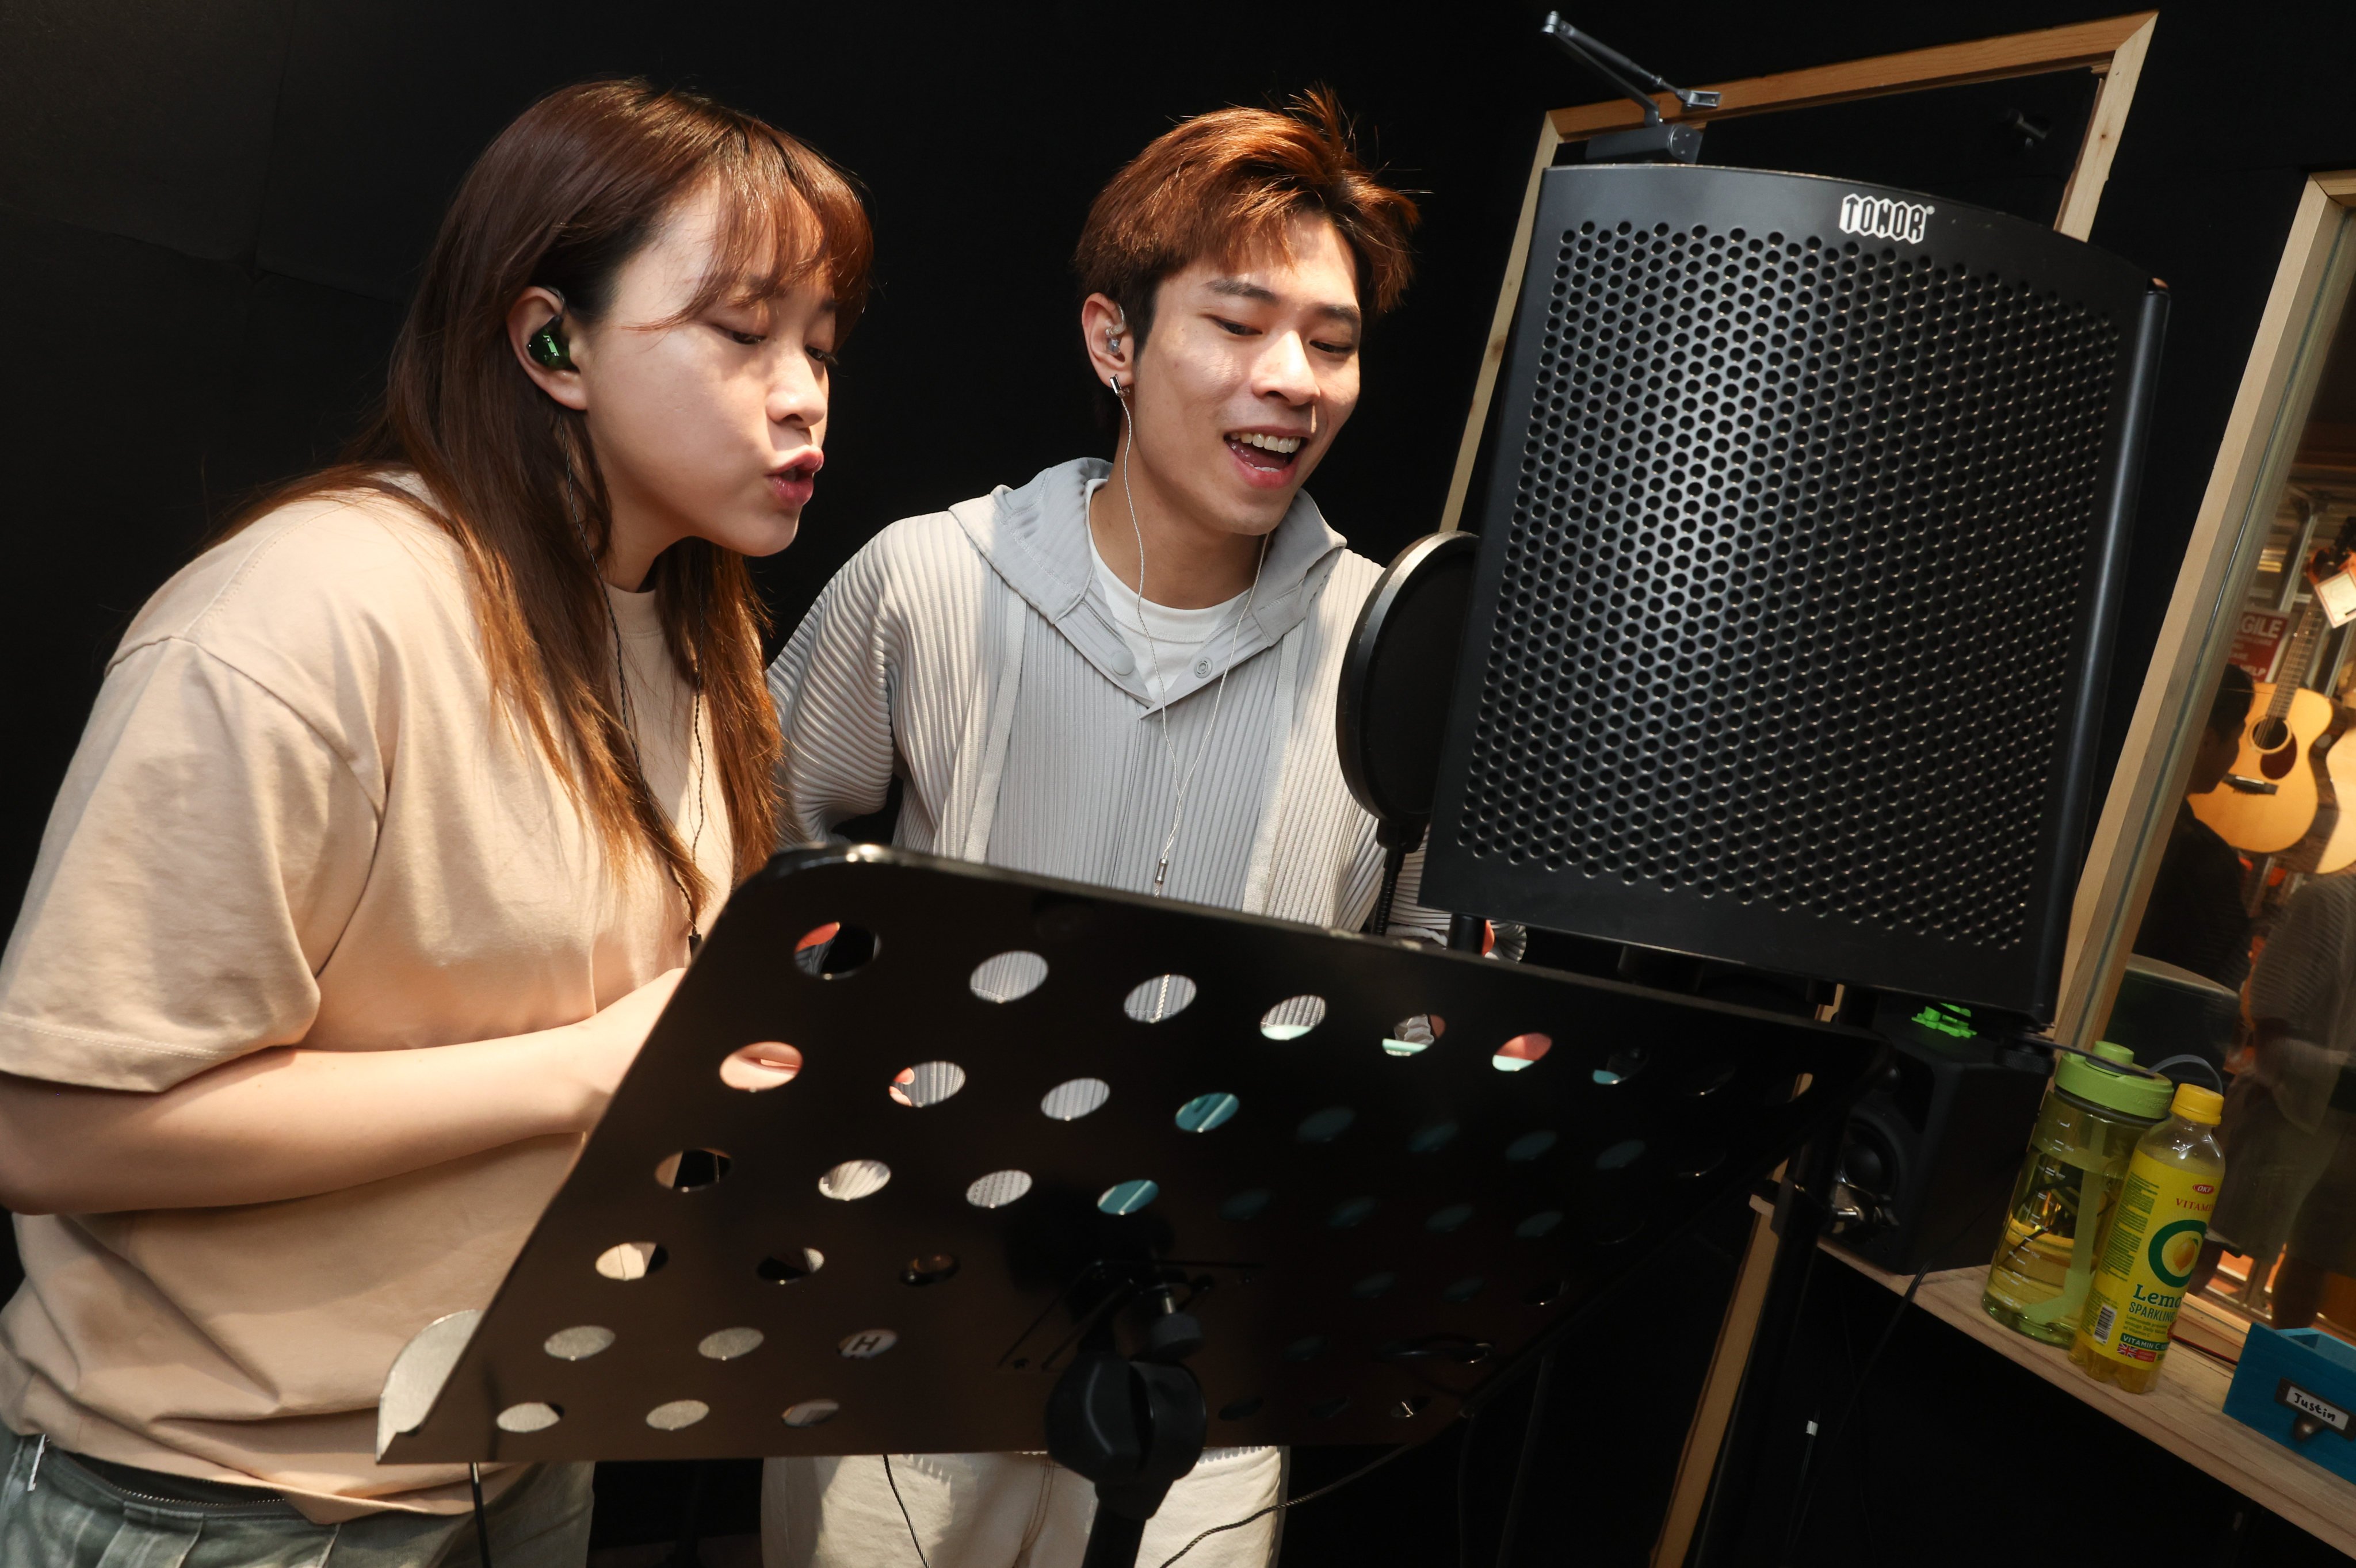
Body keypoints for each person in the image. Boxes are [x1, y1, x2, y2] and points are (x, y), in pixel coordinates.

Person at [0, 80, 869, 1566]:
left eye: (821, 344)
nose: (801, 393)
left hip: (511, 1460)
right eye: (738, 332)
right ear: (550, 341)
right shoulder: (303, 614)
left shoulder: (693, 636)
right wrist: (590, 1069)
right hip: (225, 1503)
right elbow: (51, 1126)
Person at [762, 90, 1430, 1568]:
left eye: (1333, 341)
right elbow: (751, 872)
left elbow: (1427, 966)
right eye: (1241, 323)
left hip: (1215, 1357)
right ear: (1113, 342)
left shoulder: (1390, 649)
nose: (1295, 379)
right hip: (905, 1325)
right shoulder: (930, 581)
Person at [2132, 663, 2258, 990]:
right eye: (2238, 737)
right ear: (2206, 741)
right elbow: (2207, 989)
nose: (2235, 753)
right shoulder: (2206, 861)